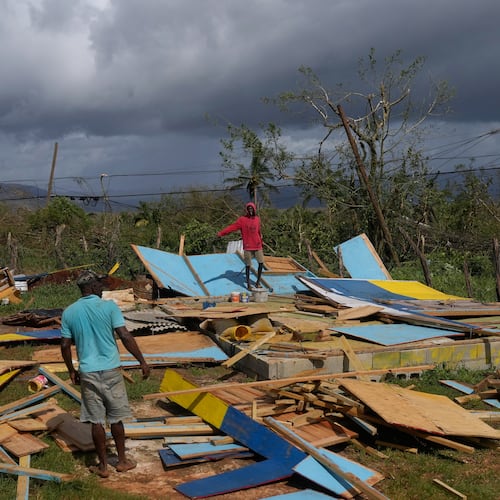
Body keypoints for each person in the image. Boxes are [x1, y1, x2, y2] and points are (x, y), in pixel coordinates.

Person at [60, 270, 150, 478]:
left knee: (96, 420)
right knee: (116, 418)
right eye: (99, 285)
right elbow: (125, 335)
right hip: (111, 370)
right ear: (91, 287)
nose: (102, 288)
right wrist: (142, 361)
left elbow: (65, 345)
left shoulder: (69, 312)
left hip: (88, 372)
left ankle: (102, 467)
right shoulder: (109, 307)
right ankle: (122, 461)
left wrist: (71, 370)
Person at [217, 202, 264, 290]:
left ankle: (258, 282)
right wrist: (221, 233)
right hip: (248, 246)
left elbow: (259, 232)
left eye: (252, 209)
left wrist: (261, 242)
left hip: (257, 245)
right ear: (246, 210)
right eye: (248, 209)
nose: (250, 210)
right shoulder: (242, 220)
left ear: (254, 209)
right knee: (248, 265)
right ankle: (248, 284)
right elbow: (232, 227)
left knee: (261, 263)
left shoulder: (257, 219)